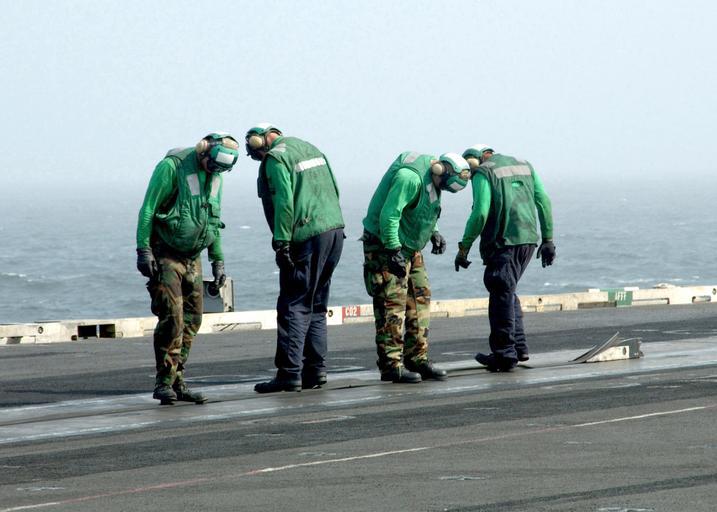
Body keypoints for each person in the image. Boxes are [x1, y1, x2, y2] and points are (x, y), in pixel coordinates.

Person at [136, 132, 239, 404]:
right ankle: (163, 383)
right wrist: (143, 250)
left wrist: (218, 261)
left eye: (221, 169)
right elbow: (148, 209)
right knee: (172, 318)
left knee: (193, 319)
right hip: (166, 253)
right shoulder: (172, 167)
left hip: (193, 257)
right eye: (212, 165)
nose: (215, 171)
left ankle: (177, 380)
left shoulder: (215, 177)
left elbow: (213, 220)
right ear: (203, 151)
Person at [245, 123, 345, 393]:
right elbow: (334, 189)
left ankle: (289, 373)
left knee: (294, 304)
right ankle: (316, 370)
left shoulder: (276, 158)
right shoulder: (310, 148)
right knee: (317, 304)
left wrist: (282, 242)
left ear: (259, 142)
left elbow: (284, 202)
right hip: (334, 231)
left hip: (307, 237)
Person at [362, 151, 470, 383]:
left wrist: (434, 231)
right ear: (440, 171)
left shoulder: (436, 178)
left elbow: (427, 205)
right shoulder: (409, 178)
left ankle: (416, 358)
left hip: (410, 246)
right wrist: (393, 250)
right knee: (392, 303)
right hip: (384, 244)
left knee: (420, 297)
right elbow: (390, 215)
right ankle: (391, 365)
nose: (443, 189)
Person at [454, 144, 555, 372]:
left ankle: (504, 354)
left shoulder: (483, 172)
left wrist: (464, 248)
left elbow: (480, 213)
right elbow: (543, 200)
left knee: (500, 290)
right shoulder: (525, 166)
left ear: (473, 161)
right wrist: (548, 239)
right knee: (507, 290)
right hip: (528, 241)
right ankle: (518, 348)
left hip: (503, 242)